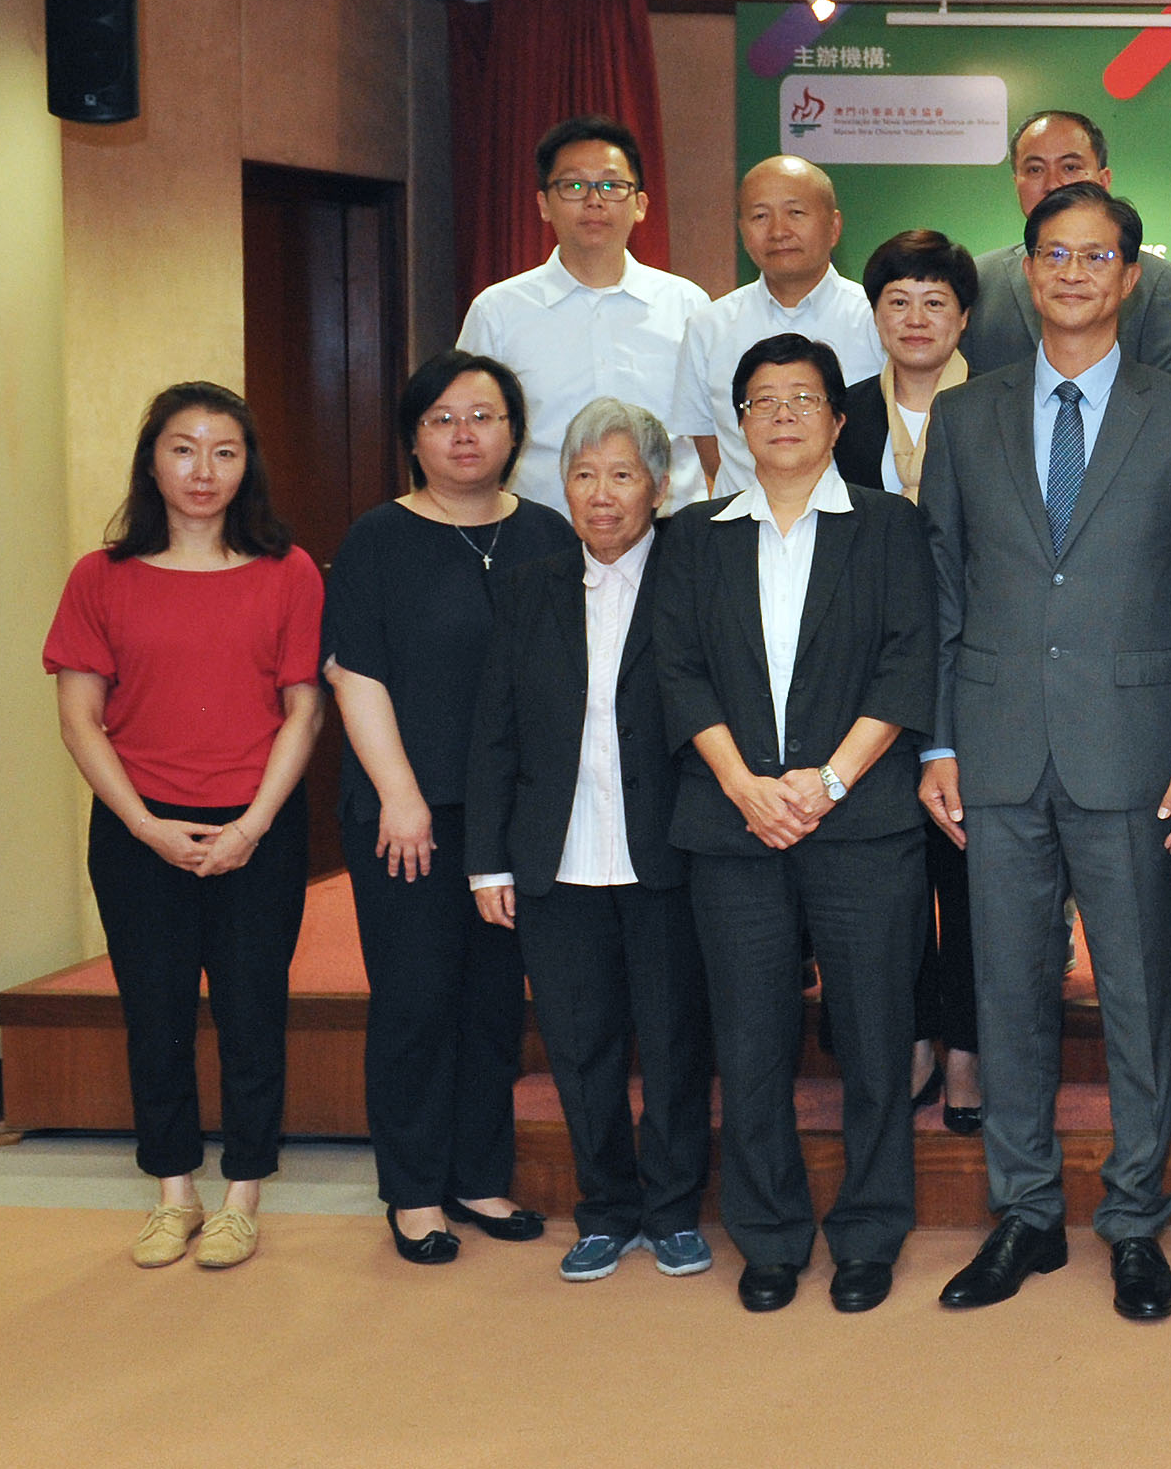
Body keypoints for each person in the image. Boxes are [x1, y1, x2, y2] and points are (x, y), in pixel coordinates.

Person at [920, 184, 1171, 1322]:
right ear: (1027, 271)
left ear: (1130, 277)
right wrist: (940, 739)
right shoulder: (967, 415)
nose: (1070, 275)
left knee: (1142, 996)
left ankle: (1136, 1217)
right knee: (1007, 991)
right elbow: (944, 590)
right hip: (995, 748)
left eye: (1094, 257)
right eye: (1052, 254)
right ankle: (1025, 1212)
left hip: (1135, 753)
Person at [654, 334, 937, 1314]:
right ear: (738, 423)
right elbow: (677, 670)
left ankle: (869, 1232)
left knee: (875, 1038)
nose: (782, 414)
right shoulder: (695, 535)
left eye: (803, 398)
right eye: (762, 400)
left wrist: (828, 782)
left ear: (838, 419)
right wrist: (743, 784)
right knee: (750, 1041)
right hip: (732, 827)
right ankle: (769, 1234)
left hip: (863, 825)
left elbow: (908, 662)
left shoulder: (889, 526)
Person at [44, 383, 325, 1272]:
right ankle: (174, 1192)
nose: (204, 470)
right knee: (155, 1015)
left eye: (224, 451)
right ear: (152, 460)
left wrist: (252, 825)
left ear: (248, 466)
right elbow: (80, 718)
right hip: (139, 832)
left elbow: (305, 709)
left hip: (257, 827)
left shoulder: (289, 570)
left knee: (253, 1011)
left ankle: (243, 1194)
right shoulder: (100, 577)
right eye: (183, 448)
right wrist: (143, 825)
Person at [324, 351, 576, 1263]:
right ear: (413, 437)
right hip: (410, 814)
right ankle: (414, 1190)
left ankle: (478, 1176)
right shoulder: (377, 538)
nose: (464, 435)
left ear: (514, 430)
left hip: (514, 817)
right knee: (416, 999)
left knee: (493, 1003)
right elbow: (353, 672)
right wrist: (401, 795)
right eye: (441, 419)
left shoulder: (548, 532)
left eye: (482, 416)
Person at [463, 400, 715, 1283]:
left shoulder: (696, 573)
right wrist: (488, 861)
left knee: (676, 1044)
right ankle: (605, 1210)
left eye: (621, 474)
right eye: (582, 474)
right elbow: (494, 734)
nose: (601, 494)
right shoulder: (527, 586)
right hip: (557, 859)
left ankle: (674, 1210)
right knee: (578, 1046)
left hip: (668, 855)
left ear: (660, 486)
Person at [833, 228, 988, 1134]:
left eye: (936, 301)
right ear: (875, 314)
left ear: (965, 318)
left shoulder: (1004, 403)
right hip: (870, 678)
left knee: (968, 870)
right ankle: (914, 1035)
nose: (917, 318)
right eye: (898, 301)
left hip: (979, 668)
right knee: (890, 876)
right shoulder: (842, 415)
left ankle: (967, 1045)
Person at [457, 114, 713, 510]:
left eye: (612, 186)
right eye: (574, 186)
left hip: (670, 530)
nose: (594, 200)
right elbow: (470, 431)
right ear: (544, 204)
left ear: (640, 204)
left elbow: (717, 433)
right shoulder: (498, 311)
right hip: (542, 529)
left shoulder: (687, 305)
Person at [682, 155, 880, 495]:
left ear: (834, 227)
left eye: (796, 213)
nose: (778, 231)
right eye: (760, 216)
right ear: (742, 230)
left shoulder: (875, 320)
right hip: (744, 519)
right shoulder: (708, 326)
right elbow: (707, 440)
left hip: (853, 519)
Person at [963, 109, 1171, 376]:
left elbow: (1168, 394)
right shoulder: (979, 279)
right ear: (1016, 183)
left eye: (1070, 167)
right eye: (1035, 169)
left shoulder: (1159, 281)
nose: (1052, 184)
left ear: (1103, 180)